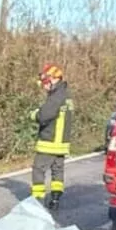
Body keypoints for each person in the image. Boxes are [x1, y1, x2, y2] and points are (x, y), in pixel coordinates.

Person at [30, 63, 73, 211]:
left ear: (53, 80)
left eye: (45, 82)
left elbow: (44, 116)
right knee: (57, 171)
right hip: (61, 144)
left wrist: (34, 114)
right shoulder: (66, 95)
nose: (44, 86)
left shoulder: (56, 97)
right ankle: (55, 198)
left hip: (49, 142)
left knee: (38, 170)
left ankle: (37, 200)